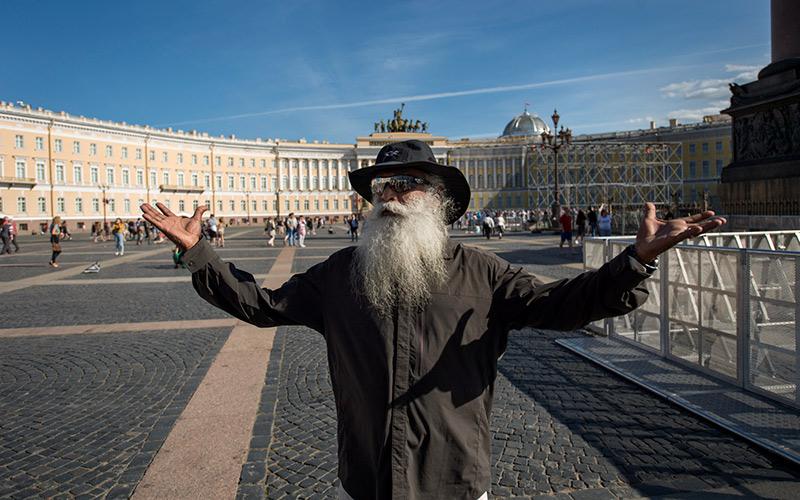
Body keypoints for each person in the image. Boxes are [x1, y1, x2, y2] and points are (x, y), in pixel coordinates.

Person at [141, 139, 725, 500]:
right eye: (383, 187)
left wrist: (636, 260)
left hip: (455, 479)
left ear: (440, 198)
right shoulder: (339, 274)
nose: (393, 195)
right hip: (366, 479)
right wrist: (200, 254)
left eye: (409, 185)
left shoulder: (485, 273)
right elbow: (260, 306)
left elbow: (566, 303)